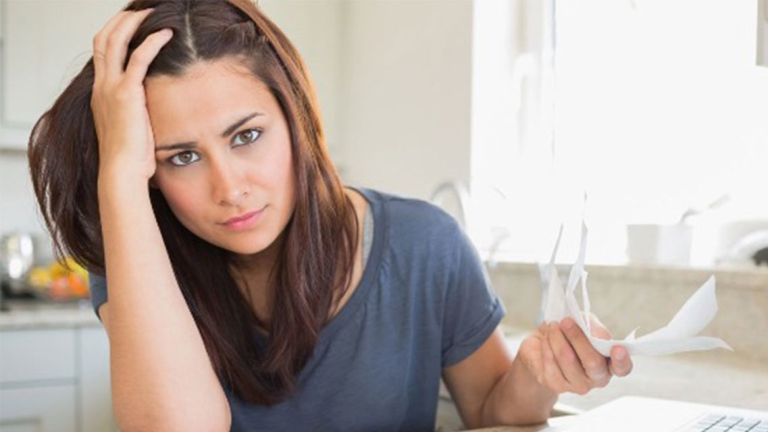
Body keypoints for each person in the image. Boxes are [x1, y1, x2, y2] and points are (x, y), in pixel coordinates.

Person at [27, 1, 633, 431]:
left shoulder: (425, 247)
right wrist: (118, 176)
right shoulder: (139, 257)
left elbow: (492, 417)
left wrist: (536, 374)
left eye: (246, 136)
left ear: (297, 120)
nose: (230, 188)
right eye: (181, 157)